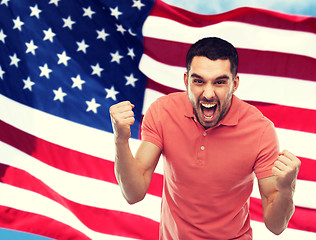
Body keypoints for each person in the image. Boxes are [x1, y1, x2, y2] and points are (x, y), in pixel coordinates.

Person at [109, 37, 301, 239]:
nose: (208, 94)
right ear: (186, 81)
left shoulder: (260, 130)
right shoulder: (162, 112)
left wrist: (287, 188)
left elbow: (276, 226)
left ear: (234, 84)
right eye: (199, 81)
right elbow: (133, 193)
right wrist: (120, 140)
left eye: (219, 82)